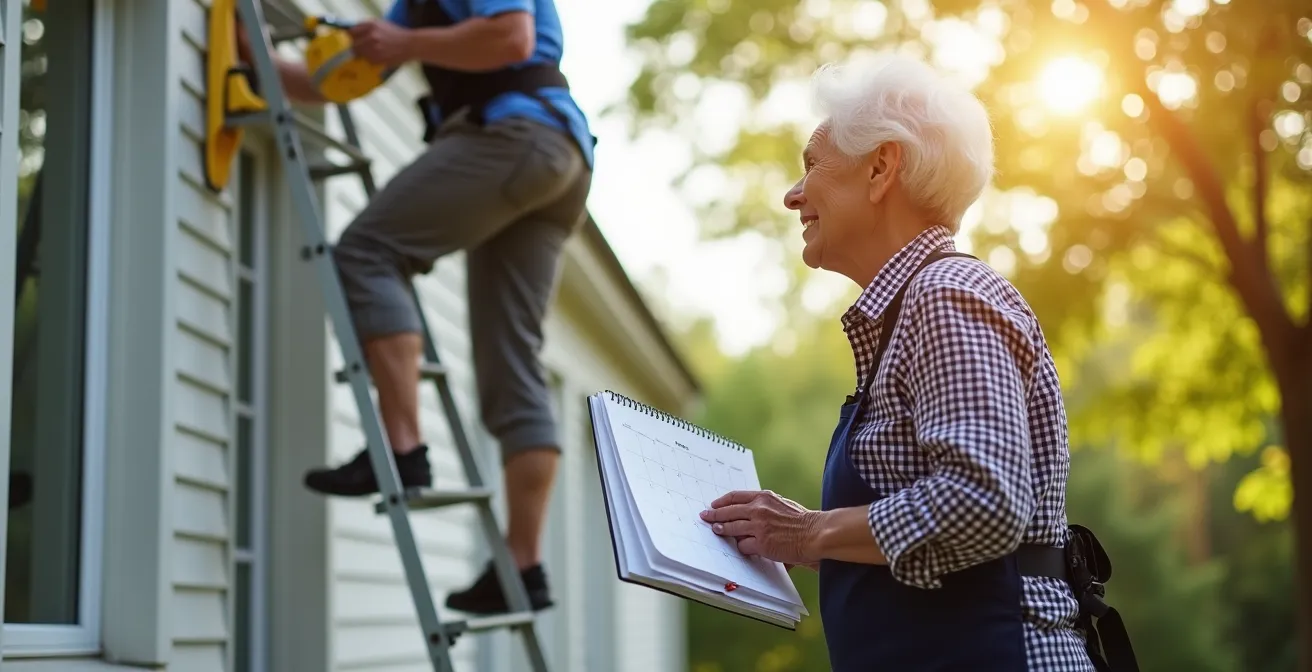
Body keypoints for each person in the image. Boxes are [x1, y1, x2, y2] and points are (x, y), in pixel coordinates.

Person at [698, 55, 1136, 671]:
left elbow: (984, 502)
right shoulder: (913, 310)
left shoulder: (945, 292)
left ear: (881, 167)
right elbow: (934, 539)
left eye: (813, 165)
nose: (793, 194)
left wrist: (811, 532)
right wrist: (802, 536)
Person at [239, 0, 594, 616]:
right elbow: (330, 81)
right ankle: (522, 566)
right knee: (513, 360)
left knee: (368, 252)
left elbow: (511, 38)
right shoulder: (415, 7)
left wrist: (404, 45)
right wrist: (247, 44)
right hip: (557, 157)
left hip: (517, 133)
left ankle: (402, 453)